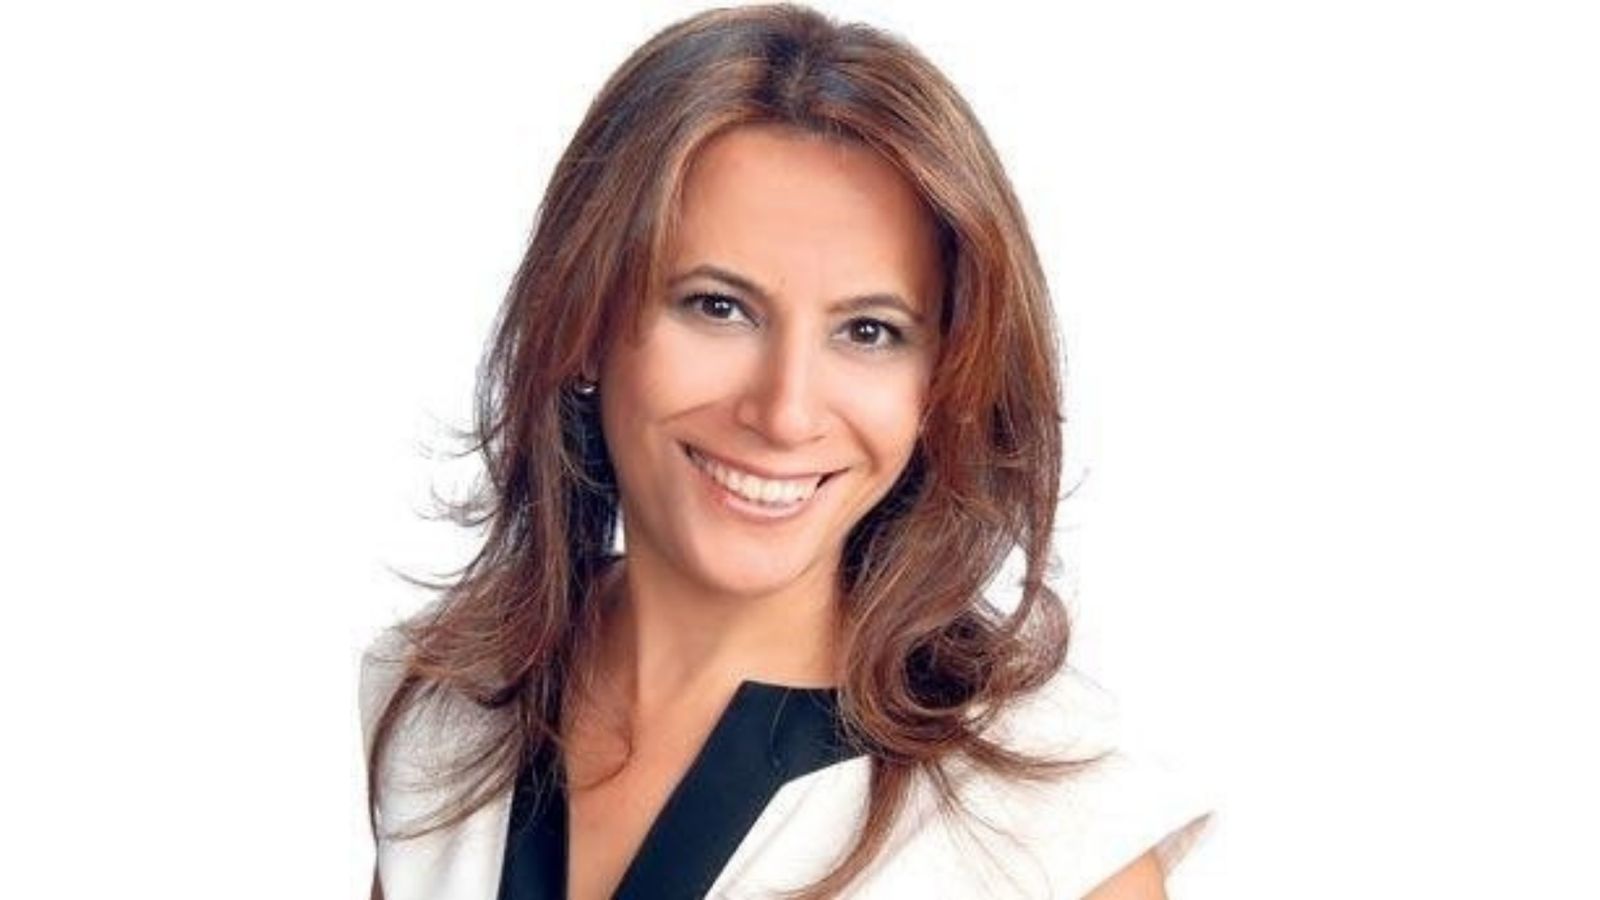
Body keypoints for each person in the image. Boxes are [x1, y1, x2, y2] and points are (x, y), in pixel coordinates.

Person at [359, 5, 1216, 898]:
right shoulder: (440, 704)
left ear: (942, 384)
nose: (785, 411)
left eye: (870, 331)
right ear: (583, 323)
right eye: (718, 307)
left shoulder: (1052, 832)